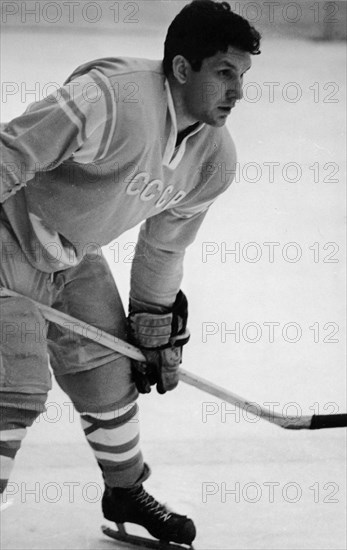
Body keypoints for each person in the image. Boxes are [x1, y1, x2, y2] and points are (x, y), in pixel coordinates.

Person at [0, 0, 261, 546]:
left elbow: (164, 248)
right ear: (183, 68)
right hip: (9, 233)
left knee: (108, 374)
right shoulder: (108, 99)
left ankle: (124, 491)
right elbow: (12, 152)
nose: (237, 91)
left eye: (243, 76)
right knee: (15, 386)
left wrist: (153, 323)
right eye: (225, 73)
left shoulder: (214, 158)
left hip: (74, 254)